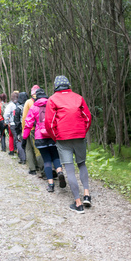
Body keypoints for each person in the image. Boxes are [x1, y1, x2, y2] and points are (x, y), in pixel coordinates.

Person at [45, 75, 93, 214]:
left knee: (69, 168)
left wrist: (56, 137)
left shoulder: (52, 99)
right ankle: (87, 194)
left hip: (62, 137)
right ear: (68, 85)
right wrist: (83, 131)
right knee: (82, 163)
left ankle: (78, 204)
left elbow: (49, 123)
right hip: (79, 135)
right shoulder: (78, 97)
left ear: (55, 86)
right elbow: (88, 117)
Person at [22, 88, 66, 193]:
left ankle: (51, 184)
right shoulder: (52, 105)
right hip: (52, 136)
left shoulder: (33, 107)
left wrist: (24, 138)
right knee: (55, 156)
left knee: (46, 160)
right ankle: (59, 171)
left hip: (40, 137)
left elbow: (28, 124)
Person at [22, 85, 44, 176]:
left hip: (31, 129)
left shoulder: (28, 102)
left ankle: (33, 169)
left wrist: (24, 131)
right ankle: (45, 168)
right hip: (43, 129)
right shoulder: (45, 100)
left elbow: (24, 118)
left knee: (30, 149)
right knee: (41, 149)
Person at [13, 91, 28, 163]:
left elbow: (16, 120)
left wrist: (17, 130)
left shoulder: (18, 108)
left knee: (19, 142)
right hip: (30, 127)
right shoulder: (30, 105)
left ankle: (23, 158)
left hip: (21, 128)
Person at [4, 91, 19, 156]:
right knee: (18, 137)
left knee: (11, 136)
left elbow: (6, 114)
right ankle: (18, 150)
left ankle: (12, 150)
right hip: (19, 124)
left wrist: (7, 122)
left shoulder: (10, 105)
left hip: (12, 124)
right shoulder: (20, 104)